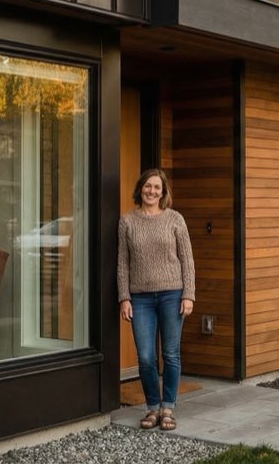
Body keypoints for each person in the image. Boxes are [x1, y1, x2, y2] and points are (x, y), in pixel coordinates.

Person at [117, 168, 195, 431]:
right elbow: (122, 264)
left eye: (157, 187)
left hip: (172, 294)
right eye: (148, 186)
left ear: (163, 192)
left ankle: (168, 408)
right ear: (140, 188)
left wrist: (188, 295)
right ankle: (152, 407)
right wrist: (124, 297)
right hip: (140, 299)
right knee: (146, 357)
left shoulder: (175, 219)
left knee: (171, 354)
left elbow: (187, 260)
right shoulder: (127, 222)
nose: (152, 191)